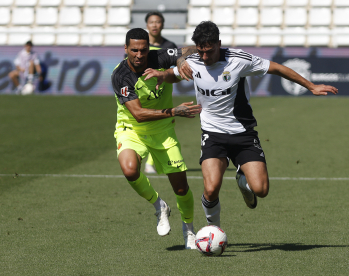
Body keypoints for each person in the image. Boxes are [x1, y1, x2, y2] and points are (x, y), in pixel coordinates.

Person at [146, 21, 338, 228]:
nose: (204, 57)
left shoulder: (239, 59)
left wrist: (311, 86)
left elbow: (276, 68)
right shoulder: (192, 61)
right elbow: (174, 74)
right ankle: (213, 230)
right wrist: (162, 75)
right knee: (211, 189)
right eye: (201, 51)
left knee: (261, 190)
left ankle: (242, 179)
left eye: (209, 52)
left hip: (243, 134)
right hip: (213, 134)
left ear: (219, 44)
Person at [111, 28, 202, 249]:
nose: (140, 55)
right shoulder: (120, 75)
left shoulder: (159, 55)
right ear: (126, 49)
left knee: (181, 188)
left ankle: (189, 230)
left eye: (143, 50)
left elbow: (192, 50)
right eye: (134, 50)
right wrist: (175, 111)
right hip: (132, 128)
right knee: (130, 169)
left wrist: (180, 60)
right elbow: (139, 115)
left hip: (163, 131)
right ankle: (159, 205)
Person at [144, 11, 178, 174]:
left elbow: (175, 69)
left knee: (160, 123)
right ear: (147, 25)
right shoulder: (139, 45)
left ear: (162, 25)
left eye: (158, 22)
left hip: (163, 89)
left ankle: (151, 162)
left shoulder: (170, 46)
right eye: (152, 22)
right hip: (143, 89)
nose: (155, 25)